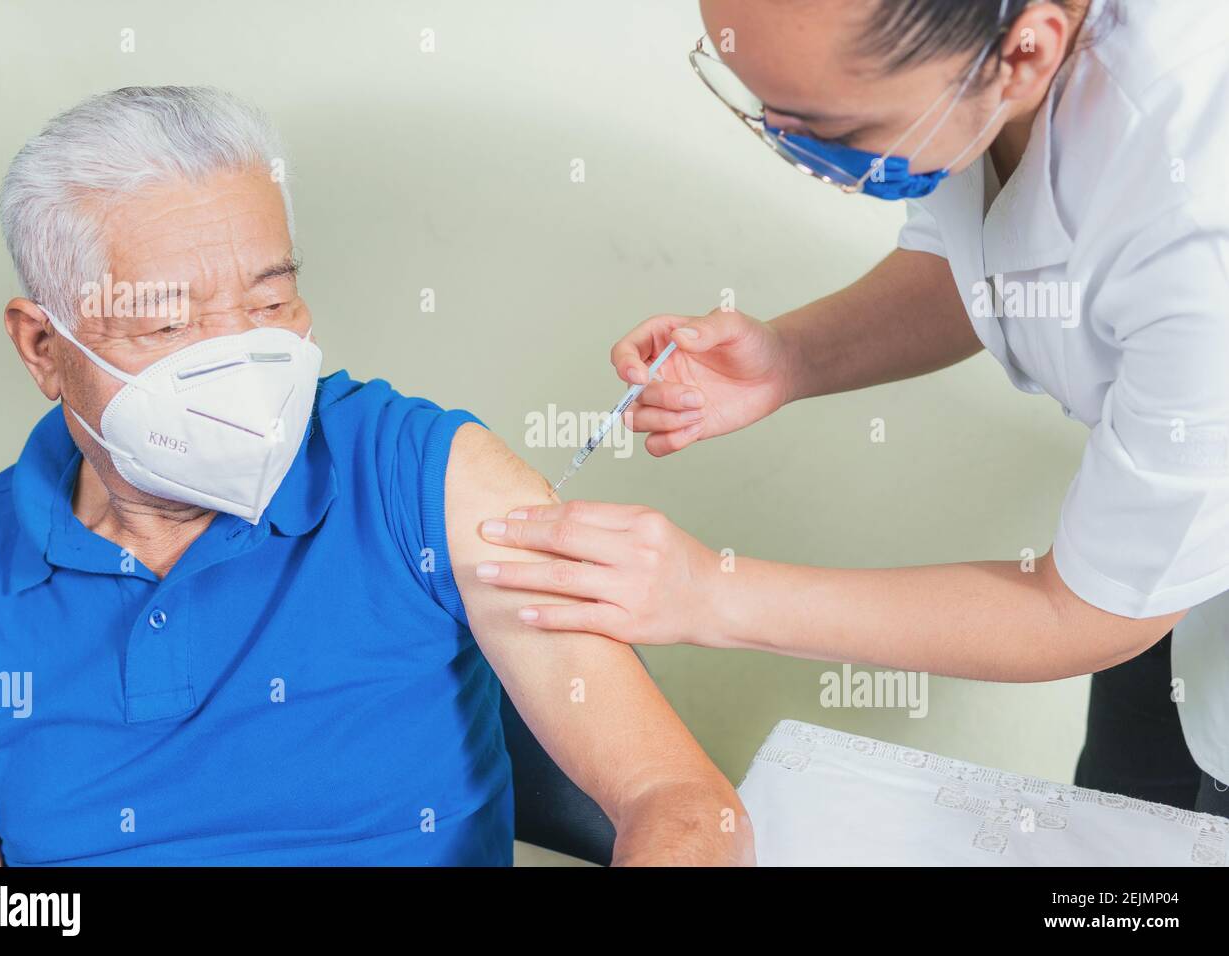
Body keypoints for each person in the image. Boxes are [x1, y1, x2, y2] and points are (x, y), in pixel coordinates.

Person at [0, 86, 752, 866]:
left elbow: (682, 804)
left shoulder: (418, 475)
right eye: (169, 320)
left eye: (268, 306)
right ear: (43, 347)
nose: (239, 364)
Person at [476, 0, 1229, 815]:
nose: (792, 143)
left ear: (1024, 54)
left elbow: (1081, 613)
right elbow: (1003, 260)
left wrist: (707, 593)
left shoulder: (1200, 218)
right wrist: (789, 359)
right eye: (770, 110)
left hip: (1128, 594)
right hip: (1163, 573)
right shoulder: (977, 76)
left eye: (829, 128)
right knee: (1120, 843)